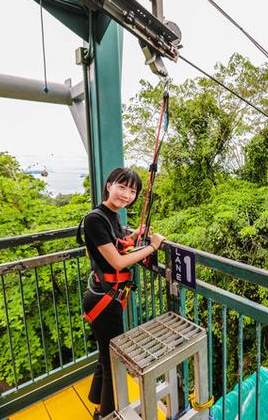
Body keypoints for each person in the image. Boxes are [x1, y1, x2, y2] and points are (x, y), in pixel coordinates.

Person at [81, 167, 165, 418]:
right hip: (104, 300)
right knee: (112, 363)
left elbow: (118, 244)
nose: (127, 194)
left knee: (105, 355)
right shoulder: (95, 219)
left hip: (107, 297)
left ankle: (97, 400)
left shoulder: (111, 215)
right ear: (109, 185)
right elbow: (117, 261)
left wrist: (136, 235)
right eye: (122, 187)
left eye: (133, 191)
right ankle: (106, 414)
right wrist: (152, 246)